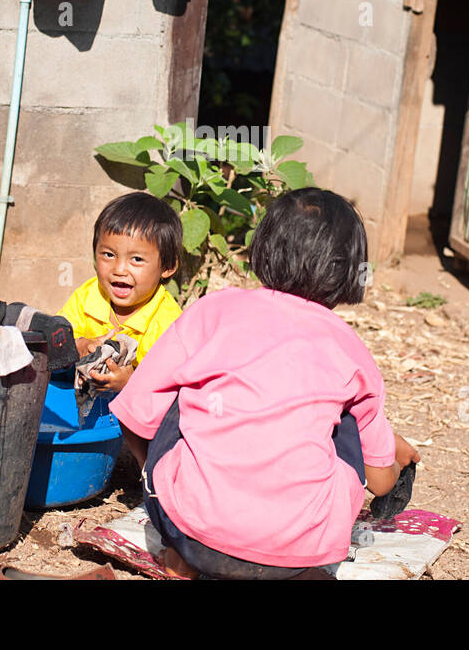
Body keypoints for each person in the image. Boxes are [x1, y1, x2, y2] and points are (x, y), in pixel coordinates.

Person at [110, 187, 421, 579]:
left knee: (180, 396)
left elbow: (134, 408)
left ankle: (181, 563)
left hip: (192, 530)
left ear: (264, 248)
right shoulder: (351, 350)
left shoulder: (214, 309)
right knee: (345, 420)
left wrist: (150, 474)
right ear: (348, 269)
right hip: (298, 551)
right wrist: (394, 465)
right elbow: (378, 480)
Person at [58, 192, 184, 393]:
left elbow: (169, 389)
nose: (119, 269)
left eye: (136, 259)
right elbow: (55, 338)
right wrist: (78, 345)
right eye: (109, 255)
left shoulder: (167, 323)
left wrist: (130, 384)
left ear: (167, 266)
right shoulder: (89, 295)